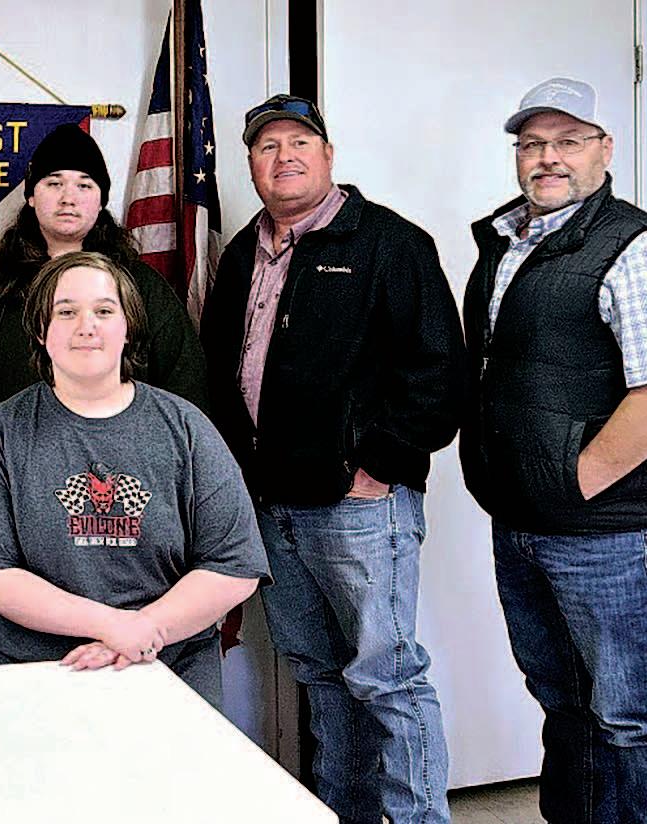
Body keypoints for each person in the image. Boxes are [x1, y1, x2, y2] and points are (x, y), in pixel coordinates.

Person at [198, 95, 464, 824]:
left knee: (387, 679)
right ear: (250, 164)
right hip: (271, 508)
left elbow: (440, 372)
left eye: (299, 142)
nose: (283, 156)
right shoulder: (241, 254)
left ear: (327, 154)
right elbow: (221, 372)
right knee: (320, 677)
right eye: (266, 146)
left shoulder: (389, 244)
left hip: (357, 507)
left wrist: (374, 467)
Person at [0, 252, 265, 706]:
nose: (86, 326)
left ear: (128, 327)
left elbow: (233, 566)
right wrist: (112, 627)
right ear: (41, 330)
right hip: (35, 673)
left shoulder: (187, 428)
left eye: (104, 310)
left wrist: (143, 631)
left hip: (167, 670)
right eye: (66, 312)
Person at [461, 78, 647, 824]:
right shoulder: (506, 243)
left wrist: (577, 484)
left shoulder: (631, 246)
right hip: (520, 523)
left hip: (604, 533)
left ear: (604, 149)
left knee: (626, 714)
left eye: (568, 141)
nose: (548, 158)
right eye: (532, 144)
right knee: (561, 701)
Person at [0, 123, 208, 506]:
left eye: (84, 185)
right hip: (13, 501)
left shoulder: (142, 290)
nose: (68, 198)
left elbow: (186, 401)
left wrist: (160, 501)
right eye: (54, 183)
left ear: (101, 199)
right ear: (31, 196)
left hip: (118, 506)